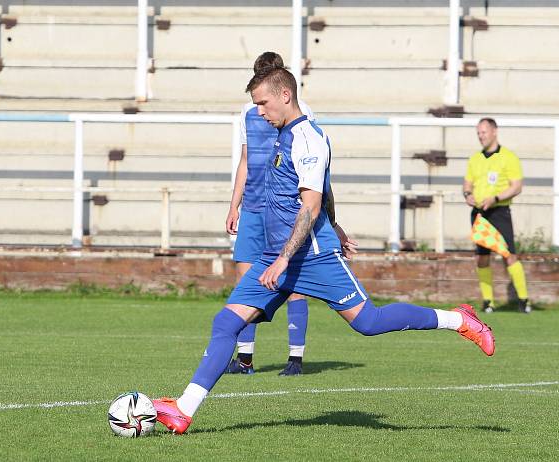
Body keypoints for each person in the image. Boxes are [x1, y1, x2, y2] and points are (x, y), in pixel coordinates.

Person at [152, 68, 495, 435]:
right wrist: (330, 227)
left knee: (369, 323)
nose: (259, 112)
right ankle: (183, 410)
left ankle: (460, 320)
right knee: (226, 323)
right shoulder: (282, 135)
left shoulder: (308, 138)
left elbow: (311, 205)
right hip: (275, 256)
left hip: (310, 257)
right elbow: (320, 189)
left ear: (284, 95)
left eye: (263, 103)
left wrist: (290, 255)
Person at [225, 51, 356, 377]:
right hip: (255, 209)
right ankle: (245, 358)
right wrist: (234, 203)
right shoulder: (247, 114)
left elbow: (318, 183)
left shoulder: (303, 121)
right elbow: (245, 160)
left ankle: (295, 357)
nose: (261, 109)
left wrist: (333, 223)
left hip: (289, 214)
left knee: (296, 283)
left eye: (264, 99)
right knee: (246, 284)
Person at [462, 117, 531, 314]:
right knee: (482, 258)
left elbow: (516, 186)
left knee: (509, 255)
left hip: (499, 211)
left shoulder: (508, 157)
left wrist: (496, 198)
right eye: (478, 133)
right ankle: (488, 302)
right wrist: (468, 195)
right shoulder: (475, 158)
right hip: (479, 214)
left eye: (483, 132)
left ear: (494, 131)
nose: (480, 136)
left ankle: (524, 300)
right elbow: (467, 184)